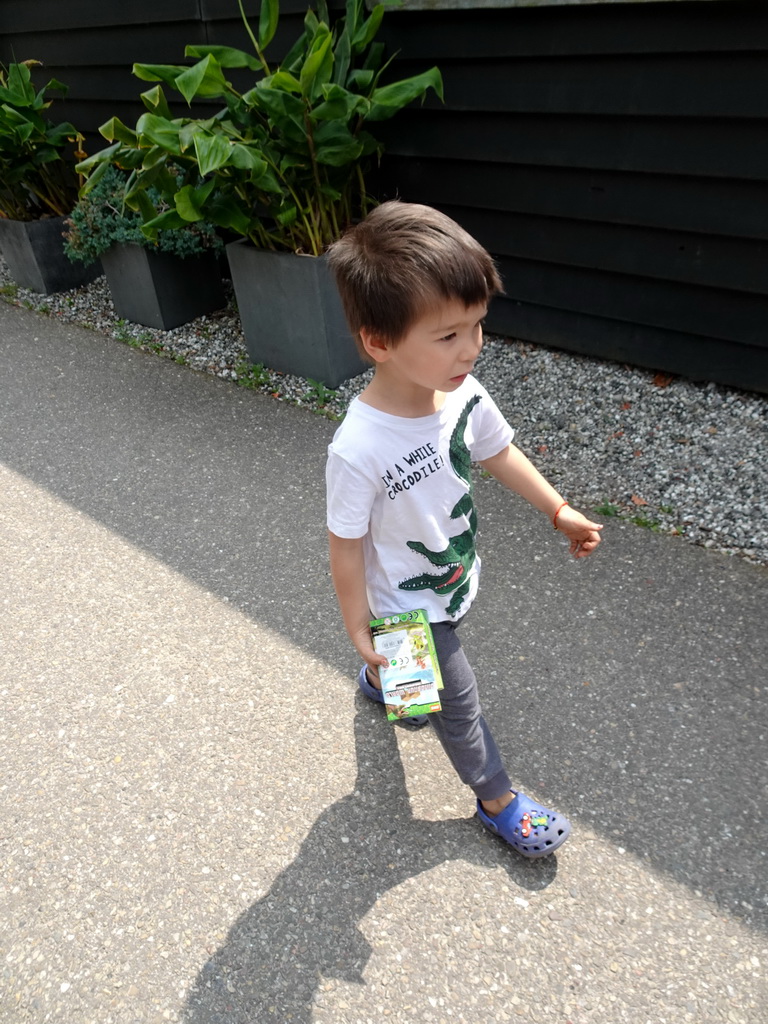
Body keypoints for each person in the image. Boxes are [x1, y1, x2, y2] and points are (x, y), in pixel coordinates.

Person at [324, 201, 603, 858]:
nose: (471, 349)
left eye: (477, 326)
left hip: (450, 574)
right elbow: (345, 544)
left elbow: (498, 451)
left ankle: (386, 681)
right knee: (457, 701)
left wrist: (556, 509)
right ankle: (497, 798)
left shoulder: (465, 396)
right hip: (403, 605)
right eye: (448, 336)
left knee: (414, 694)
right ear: (378, 341)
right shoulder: (358, 447)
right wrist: (357, 623)